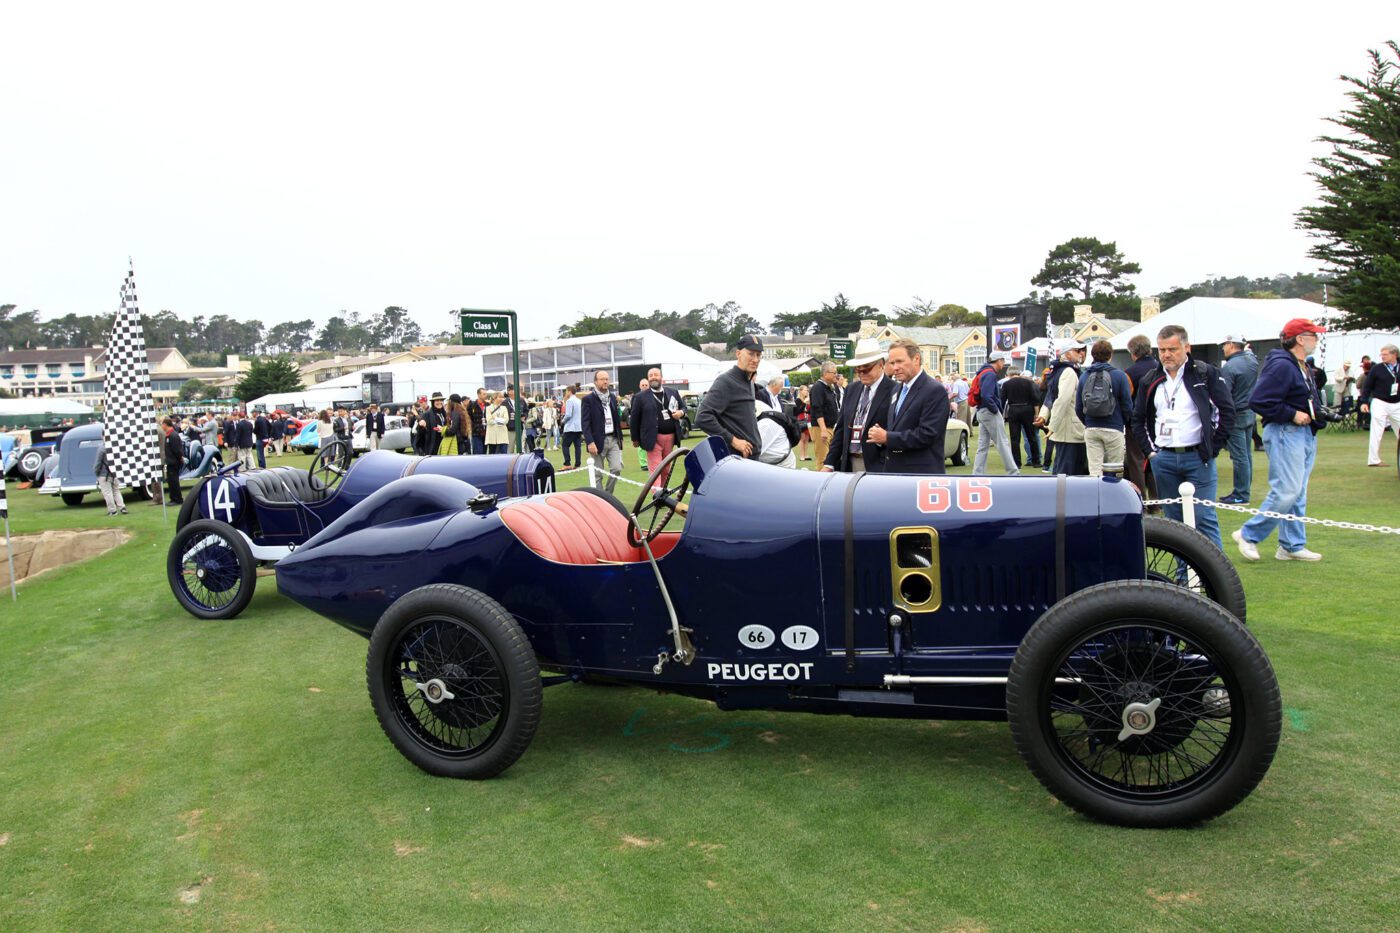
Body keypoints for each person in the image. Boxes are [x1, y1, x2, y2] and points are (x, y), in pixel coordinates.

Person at [1131, 324, 1235, 550]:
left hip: (1198, 457)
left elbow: (1226, 412)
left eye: (1172, 349)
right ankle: (1183, 577)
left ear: (1186, 347)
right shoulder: (1151, 379)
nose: (1166, 355)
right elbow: (1137, 419)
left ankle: (1216, 579)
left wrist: (1212, 447)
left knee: (1203, 518)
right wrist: (1151, 452)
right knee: (1175, 525)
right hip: (1164, 459)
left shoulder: (1204, 373)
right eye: (1162, 350)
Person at [1233, 318, 1329, 561]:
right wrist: (1292, 414)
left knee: (1298, 492)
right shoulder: (1283, 365)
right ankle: (1249, 534)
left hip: (1304, 433)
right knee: (1287, 490)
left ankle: (1291, 545)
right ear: (1299, 339)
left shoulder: (1300, 365)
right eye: (1313, 335)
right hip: (1287, 432)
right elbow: (1259, 401)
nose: (1317, 339)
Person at [866, 338, 948, 474]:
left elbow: (927, 434)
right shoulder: (896, 390)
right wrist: (879, 434)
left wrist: (887, 437)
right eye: (892, 363)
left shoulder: (934, 390)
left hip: (920, 475)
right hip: (895, 473)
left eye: (899, 361)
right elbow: (899, 425)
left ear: (916, 359)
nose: (895, 367)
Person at [821, 340, 893, 474]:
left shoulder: (895, 391)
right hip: (849, 464)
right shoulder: (851, 390)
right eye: (858, 369)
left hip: (880, 465)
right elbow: (841, 429)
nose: (861, 373)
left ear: (881, 364)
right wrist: (829, 463)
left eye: (866, 368)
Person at [696, 335, 765, 461]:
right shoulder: (726, 381)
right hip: (735, 460)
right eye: (751, 354)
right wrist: (733, 440)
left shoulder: (749, 382)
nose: (755, 359)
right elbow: (703, 417)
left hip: (751, 459)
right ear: (738, 354)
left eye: (758, 355)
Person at [1075, 339, 1134, 478]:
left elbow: (1078, 405)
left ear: (1092, 355)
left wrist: (1088, 422)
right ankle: (1113, 497)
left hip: (1091, 427)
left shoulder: (1084, 376)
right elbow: (1127, 403)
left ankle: (1095, 497)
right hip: (1114, 427)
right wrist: (1124, 421)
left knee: (1094, 470)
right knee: (1115, 470)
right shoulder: (1119, 375)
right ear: (1110, 355)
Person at [1219, 334, 1260, 503]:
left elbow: (1224, 394)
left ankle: (1241, 494)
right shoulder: (1251, 361)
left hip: (1236, 413)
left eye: (1224, 345)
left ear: (1231, 345)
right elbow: (1250, 354)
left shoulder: (1230, 367)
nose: (1222, 348)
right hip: (1249, 411)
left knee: (1239, 456)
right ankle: (1244, 490)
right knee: (1246, 454)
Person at [1038, 344, 1088, 476]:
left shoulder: (1057, 370)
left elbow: (1051, 396)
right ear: (1067, 354)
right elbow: (1062, 400)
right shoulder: (1069, 372)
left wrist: (1044, 415)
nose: (1081, 353)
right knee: (1068, 473)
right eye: (1077, 351)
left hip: (1067, 430)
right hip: (1069, 431)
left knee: (1065, 471)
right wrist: (1052, 425)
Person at [630, 367, 685, 478]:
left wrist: (681, 413)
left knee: (666, 469)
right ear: (648, 379)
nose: (653, 377)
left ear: (661, 377)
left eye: (656, 375)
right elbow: (634, 419)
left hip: (670, 438)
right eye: (650, 376)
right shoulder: (640, 397)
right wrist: (634, 438)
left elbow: (683, 407)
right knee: (655, 469)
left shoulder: (672, 392)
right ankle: (656, 494)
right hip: (652, 438)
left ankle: (663, 494)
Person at [971, 351, 1019, 475]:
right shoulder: (990, 374)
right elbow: (987, 396)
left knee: (983, 445)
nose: (1003, 363)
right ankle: (1013, 472)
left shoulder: (983, 372)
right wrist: (995, 410)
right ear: (998, 361)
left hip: (982, 411)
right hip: (988, 412)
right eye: (1002, 361)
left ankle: (977, 474)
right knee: (1002, 442)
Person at [581, 369, 625, 493]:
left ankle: (607, 495)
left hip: (613, 439)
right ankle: (600, 499)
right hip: (597, 441)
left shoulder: (611, 396)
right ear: (595, 382)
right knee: (597, 474)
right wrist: (590, 442)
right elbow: (585, 423)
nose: (606, 382)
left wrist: (620, 439)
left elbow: (616, 418)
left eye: (607, 379)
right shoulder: (588, 399)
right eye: (602, 379)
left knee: (616, 469)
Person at [1358, 344, 1400, 467]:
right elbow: (1367, 386)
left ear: (1394, 354)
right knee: (1377, 430)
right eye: (1381, 354)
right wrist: (1364, 401)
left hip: (1397, 403)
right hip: (1380, 402)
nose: (1382, 357)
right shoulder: (1376, 368)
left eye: (1385, 354)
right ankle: (1373, 460)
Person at [1001, 366, 1041, 469]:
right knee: (1031, 436)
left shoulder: (1006, 384)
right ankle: (1036, 461)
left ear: (1009, 374)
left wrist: (1002, 414)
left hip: (1013, 409)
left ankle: (1017, 462)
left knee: (1015, 438)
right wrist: (1036, 414)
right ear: (1019, 373)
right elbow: (1035, 399)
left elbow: (1002, 400)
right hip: (1027, 409)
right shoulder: (1028, 383)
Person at [808, 362, 841, 468]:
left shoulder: (829, 387)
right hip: (822, 427)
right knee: (823, 460)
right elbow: (817, 409)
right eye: (834, 373)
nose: (837, 375)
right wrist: (823, 429)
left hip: (830, 427)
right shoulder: (818, 387)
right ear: (826, 373)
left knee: (830, 459)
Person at [93, 442, 127, 515]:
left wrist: (96, 472)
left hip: (104, 474)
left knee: (108, 493)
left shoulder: (102, 448)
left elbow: (98, 462)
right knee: (116, 491)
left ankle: (112, 510)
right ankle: (122, 507)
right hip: (115, 473)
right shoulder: (116, 446)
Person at [162, 417, 185, 504]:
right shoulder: (168, 435)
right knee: (171, 481)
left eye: (162, 424)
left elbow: (177, 450)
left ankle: (177, 499)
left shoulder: (173, 435)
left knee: (174, 481)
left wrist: (180, 458)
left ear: (165, 425)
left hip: (173, 462)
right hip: (170, 461)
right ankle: (173, 498)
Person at [561, 384, 583, 468]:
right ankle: (578, 464)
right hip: (578, 427)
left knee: (565, 445)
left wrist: (563, 421)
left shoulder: (570, 401)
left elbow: (568, 415)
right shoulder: (579, 401)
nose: (566, 393)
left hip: (570, 427)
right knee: (578, 446)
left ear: (569, 391)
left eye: (566, 391)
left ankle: (567, 463)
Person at [793, 386, 812, 461]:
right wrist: (804, 402)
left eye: (807, 390)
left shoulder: (808, 400)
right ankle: (802, 455)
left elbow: (810, 411)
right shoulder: (797, 400)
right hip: (800, 420)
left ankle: (806, 455)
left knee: (807, 438)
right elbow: (797, 411)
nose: (806, 391)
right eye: (805, 390)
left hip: (808, 420)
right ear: (800, 391)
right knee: (802, 438)